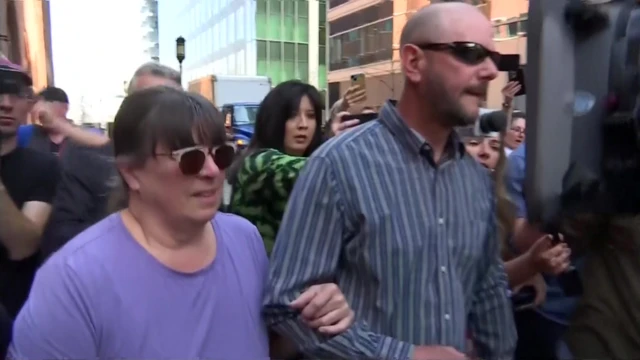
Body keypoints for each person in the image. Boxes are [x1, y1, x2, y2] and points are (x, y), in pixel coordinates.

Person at [10, 86, 354, 359]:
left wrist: (313, 318)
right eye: (189, 159)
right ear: (132, 172)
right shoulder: (72, 280)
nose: (211, 171)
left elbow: (265, 348)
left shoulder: (244, 238)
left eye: (220, 154)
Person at [263, 3, 516, 359]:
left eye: (493, 57)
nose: (490, 71)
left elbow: (489, 290)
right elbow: (287, 304)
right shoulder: (338, 166)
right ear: (413, 62)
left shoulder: (475, 178)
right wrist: (402, 355)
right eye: (470, 53)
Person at [41, 62, 183, 258]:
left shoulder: (194, 161)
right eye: (148, 103)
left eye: (173, 105)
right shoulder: (86, 159)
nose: (160, 113)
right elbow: (63, 234)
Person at [0, 59, 60, 318]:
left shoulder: (43, 167)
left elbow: (23, 245)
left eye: (16, 94)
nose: (6, 103)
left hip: (13, 317)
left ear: (28, 105)